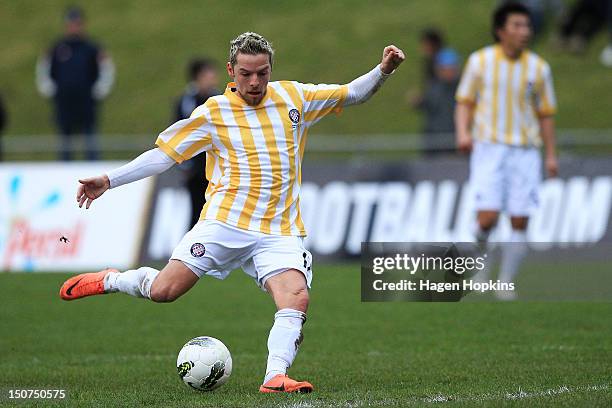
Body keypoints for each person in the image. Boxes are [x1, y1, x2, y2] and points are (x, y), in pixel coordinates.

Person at [59, 32, 405, 393]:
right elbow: (164, 155)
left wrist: (383, 70)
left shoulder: (295, 98)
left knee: (296, 296)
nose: (254, 82)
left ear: (271, 69)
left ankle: (275, 376)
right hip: (224, 223)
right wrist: (109, 180)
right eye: (245, 74)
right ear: (231, 71)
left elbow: (352, 93)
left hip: (278, 229)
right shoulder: (213, 113)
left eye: (262, 73)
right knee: (164, 291)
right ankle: (112, 280)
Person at [455, 3, 558, 300]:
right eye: (517, 25)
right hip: (489, 148)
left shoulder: (539, 68)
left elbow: (546, 114)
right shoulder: (480, 62)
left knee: (519, 219)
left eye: (527, 26)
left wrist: (551, 154)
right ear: (501, 30)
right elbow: (464, 101)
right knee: (486, 219)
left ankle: (506, 283)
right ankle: (481, 268)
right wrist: (463, 132)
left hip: (525, 151)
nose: (524, 31)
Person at [36, 6, 114, 161]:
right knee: (65, 143)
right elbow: (45, 69)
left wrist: (100, 90)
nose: (74, 27)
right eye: (71, 23)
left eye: (77, 23)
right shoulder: (57, 47)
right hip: (64, 102)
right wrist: (50, 89)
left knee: (90, 141)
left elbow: (105, 68)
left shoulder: (91, 48)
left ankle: (93, 174)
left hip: (86, 102)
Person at [174, 58, 221, 228]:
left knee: (218, 214)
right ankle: (190, 252)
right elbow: (178, 133)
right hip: (195, 169)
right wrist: (184, 165)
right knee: (196, 213)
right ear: (198, 77)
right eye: (209, 73)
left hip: (216, 168)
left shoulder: (219, 99)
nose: (213, 77)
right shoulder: (185, 101)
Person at [414, 48, 460, 155]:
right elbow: (427, 103)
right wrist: (419, 102)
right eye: (445, 68)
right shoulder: (433, 88)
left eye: (451, 68)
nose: (448, 72)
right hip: (434, 143)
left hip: (456, 143)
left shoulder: (463, 89)